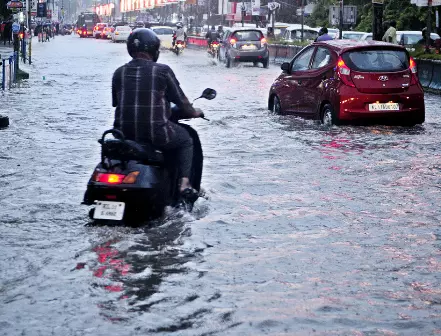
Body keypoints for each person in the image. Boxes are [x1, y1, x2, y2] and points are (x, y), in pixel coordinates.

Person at [112, 28, 203, 200]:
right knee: (186, 140)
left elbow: (117, 103)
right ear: (154, 50)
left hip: (124, 135)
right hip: (157, 134)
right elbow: (182, 102)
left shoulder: (119, 72)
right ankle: (184, 184)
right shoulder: (162, 71)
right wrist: (194, 112)